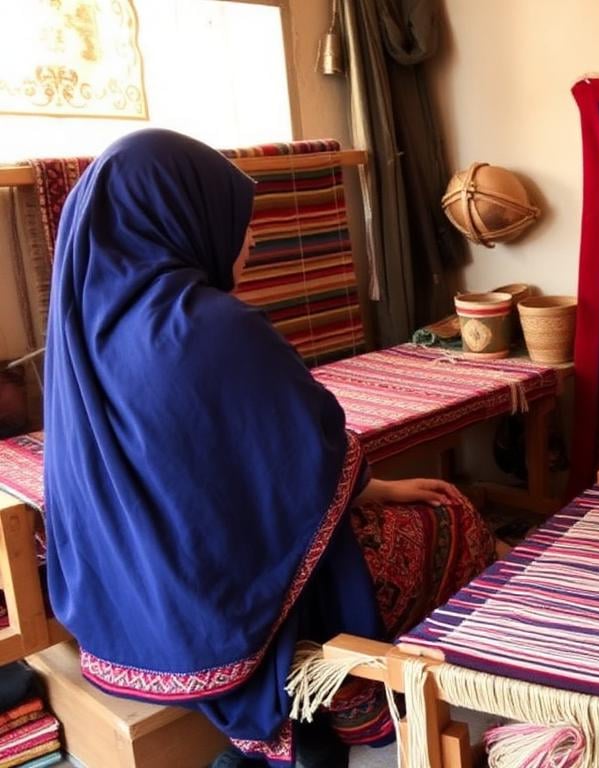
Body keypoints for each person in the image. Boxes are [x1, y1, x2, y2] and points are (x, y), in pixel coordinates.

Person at [42, 129, 494, 767]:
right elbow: (307, 451)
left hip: (121, 603)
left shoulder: (82, 329)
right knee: (453, 519)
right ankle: (348, 702)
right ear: (179, 217)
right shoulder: (212, 327)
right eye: (235, 220)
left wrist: (360, 486)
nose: (251, 239)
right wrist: (376, 488)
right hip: (212, 604)